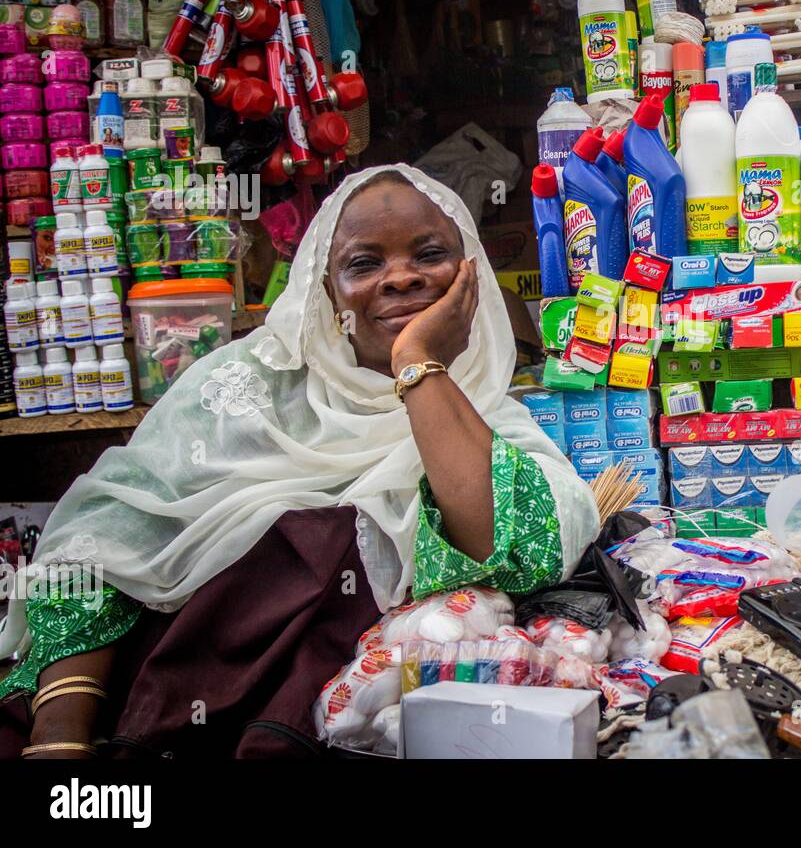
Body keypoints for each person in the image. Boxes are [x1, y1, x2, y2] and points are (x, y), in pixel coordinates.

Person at [0, 165, 600, 758]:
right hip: (156, 736)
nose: (400, 279)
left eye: (430, 254)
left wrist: (416, 363)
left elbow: (506, 546)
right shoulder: (238, 392)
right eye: (364, 264)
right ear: (323, 290)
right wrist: (61, 740)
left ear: (469, 275)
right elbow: (98, 543)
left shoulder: (488, 418)